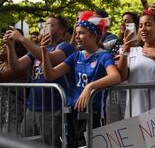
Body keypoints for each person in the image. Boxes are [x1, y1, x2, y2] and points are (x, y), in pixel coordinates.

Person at [41, 11, 121, 147]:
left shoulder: (103, 56)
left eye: (81, 33)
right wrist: (43, 51)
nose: (77, 37)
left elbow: (116, 76)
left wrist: (90, 87)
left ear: (94, 35)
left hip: (93, 112)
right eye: (76, 33)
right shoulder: (76, 56)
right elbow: (50, 75)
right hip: (72, 111)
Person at [5, 15, 75, 147]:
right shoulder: (37, 48)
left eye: (51, 25)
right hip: (32, 107)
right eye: (45, 25)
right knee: (26, 144)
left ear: (62, 30)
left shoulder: (66, 47)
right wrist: (10, 46)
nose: (45, 28)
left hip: (53, 108)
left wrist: (22, 39)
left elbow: (50, 58)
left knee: (51, 144)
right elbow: (16, 65)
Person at [0, 31, 27, 133]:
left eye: (7, 45)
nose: (3, 46)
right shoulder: (0, 64)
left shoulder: (19, 67)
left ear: (15, 49)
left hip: (11, 115)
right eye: (3, 44)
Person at [106, 11, 140, 123]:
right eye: (122, 21)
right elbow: (97, 46)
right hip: (113, 90)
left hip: (130, 91)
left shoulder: (141, 43)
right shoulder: (116, 42)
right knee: (113, 127)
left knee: (130, 125)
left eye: (127, 21)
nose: (123, 24)